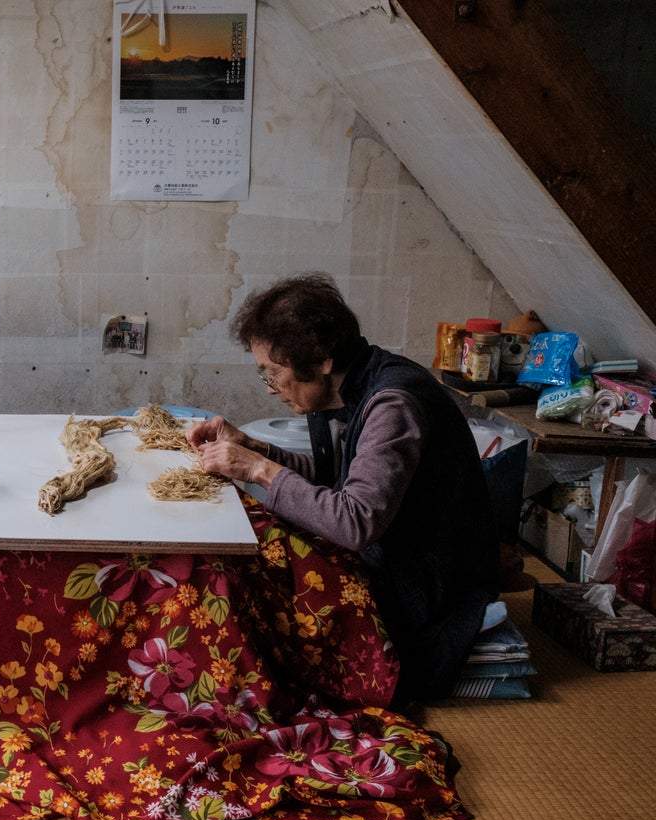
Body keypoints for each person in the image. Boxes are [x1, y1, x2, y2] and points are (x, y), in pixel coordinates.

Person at [187, 272, 500, 704]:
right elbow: (335, 473)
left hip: (428, 586)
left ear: (321, 358)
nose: (272, 389)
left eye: (273, 374)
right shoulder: (355, 385)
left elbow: (356, 521)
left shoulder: (393, 403)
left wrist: (259, 469)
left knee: (241, 570)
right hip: (396, 558)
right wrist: (252, 447)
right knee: (245, 545)